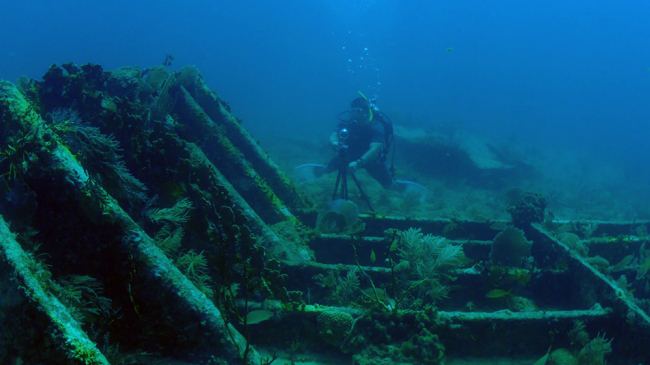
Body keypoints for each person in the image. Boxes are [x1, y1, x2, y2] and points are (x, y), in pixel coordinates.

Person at [294, 94, 429, 202]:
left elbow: (375, 149)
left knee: (388, 186)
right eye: (351, 111)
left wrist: (359, 163)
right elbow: (334, 135)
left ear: (365, 112)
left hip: (372, 160)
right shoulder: (347, 124)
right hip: (349, 154)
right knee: (325, 169)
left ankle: (403, 188)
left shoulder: (376, 126)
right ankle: (310, 175)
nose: (353, 115)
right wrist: (334, 143)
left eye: (357, 111)